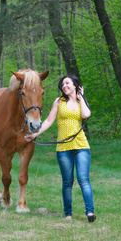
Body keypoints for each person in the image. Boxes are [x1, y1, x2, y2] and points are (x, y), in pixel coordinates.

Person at [24, 75, 96, 222]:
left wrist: (81, 96)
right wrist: (34, 134)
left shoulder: (81, 101)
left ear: (76, 85)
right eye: (62, 84)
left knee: (83, 180)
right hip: (63, 148)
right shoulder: (59, 101)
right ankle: (68, 214)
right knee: (67, 182)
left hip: (81, 146)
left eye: (67, 83)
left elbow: (86, 114)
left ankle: (90, 212)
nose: (64, 86)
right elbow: (49, 121)